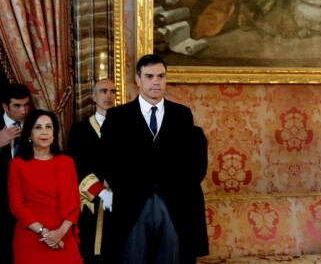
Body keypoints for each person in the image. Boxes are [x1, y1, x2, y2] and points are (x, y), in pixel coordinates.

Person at [101, 53, 209, 264]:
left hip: (173, 203)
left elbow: (192, 162)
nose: (156, 82)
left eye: (161, 76)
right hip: (133, 203)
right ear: (138, 79)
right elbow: (109, 162)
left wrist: (176, 188)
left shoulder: (182, 114)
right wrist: (129, 189)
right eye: (149, 76)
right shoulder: (118, 117)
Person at [8, 109, 82, 263]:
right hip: (31, 236)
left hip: (64, 235)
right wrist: (45, 233)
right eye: (38, 127)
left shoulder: (66, 163)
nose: (44, 132)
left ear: (54, 132)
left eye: (48, 127)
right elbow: (16, 206)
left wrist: (60, 233)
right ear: (29, 133)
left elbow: (75, 204)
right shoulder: (17, 164)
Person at [68, 78, 117, 263]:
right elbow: (77, 166)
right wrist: (102, 193)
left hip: (120, 201)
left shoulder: (126, 128)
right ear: (94, 96)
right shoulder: (79, 130)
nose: (109, 95)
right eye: (104, 91)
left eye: (113, 91)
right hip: (91, 201)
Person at [0, 83, 32, 264]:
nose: (24, 111)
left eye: (27, 105)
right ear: (5, 106)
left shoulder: (36, 124)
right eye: (17, 106)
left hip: (28, 201)